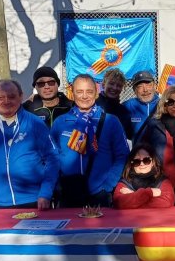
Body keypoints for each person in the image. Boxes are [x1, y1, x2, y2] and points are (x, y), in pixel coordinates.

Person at [0, 79, 60, 213]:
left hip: (34, 201)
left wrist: (45, 192)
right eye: (1, 97)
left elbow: (52, 158)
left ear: (21, 96)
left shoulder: (35, 124)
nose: (6, 101)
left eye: (11, 97)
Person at [50, 74, 128, 208]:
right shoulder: (61, 122)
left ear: (96, 93)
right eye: (79, 92)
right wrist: (56, 185)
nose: (84, 96)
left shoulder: (111, 121)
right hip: (68, 192)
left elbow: (122, 155)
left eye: (89, 91)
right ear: (72, 92)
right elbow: (51, 156)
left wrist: (108, 185)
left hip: (99, 192)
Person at [113, 145, 174, 209]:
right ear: (131, 164)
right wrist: (149, 192)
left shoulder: (162, 180)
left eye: (146, 160)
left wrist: (133, 196)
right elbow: (119, 202)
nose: (142, 164)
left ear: (153, 162)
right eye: (137, 161)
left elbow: (167, 201)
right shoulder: (125, 182)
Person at [96, 68, 134, 140]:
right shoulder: (93, 105)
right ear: (104, 84)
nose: (114, 88)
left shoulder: (124, 111)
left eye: (119, 85)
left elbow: (128, 136)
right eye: (111, 83)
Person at [123, 70, 160, 138]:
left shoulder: (164, 105)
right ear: (134, 90)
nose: (145, 90)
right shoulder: (126, 106)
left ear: (155, 86)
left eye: (148, 85)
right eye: (140, 86)